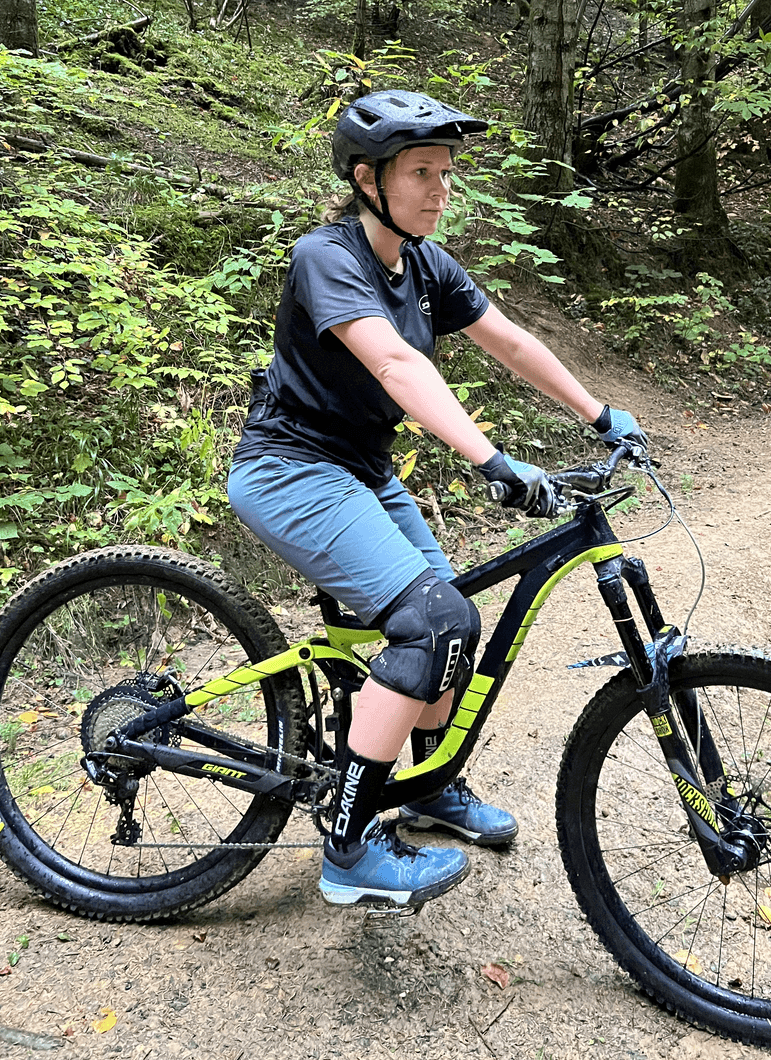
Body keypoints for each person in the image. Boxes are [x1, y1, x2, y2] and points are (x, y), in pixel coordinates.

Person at [227, 90, 648, 908]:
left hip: (362, 470)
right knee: (433, 622)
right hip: (290, 469)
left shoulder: (426, 265)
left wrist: (600, 414)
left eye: (447, 173)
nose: (440, 189)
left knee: (453, 622)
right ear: (367, 179)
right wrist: (491, 459)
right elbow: (395, 364)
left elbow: (511, 341)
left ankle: (423, 789)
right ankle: (349, 849)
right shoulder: (326, 256)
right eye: (421, 172)